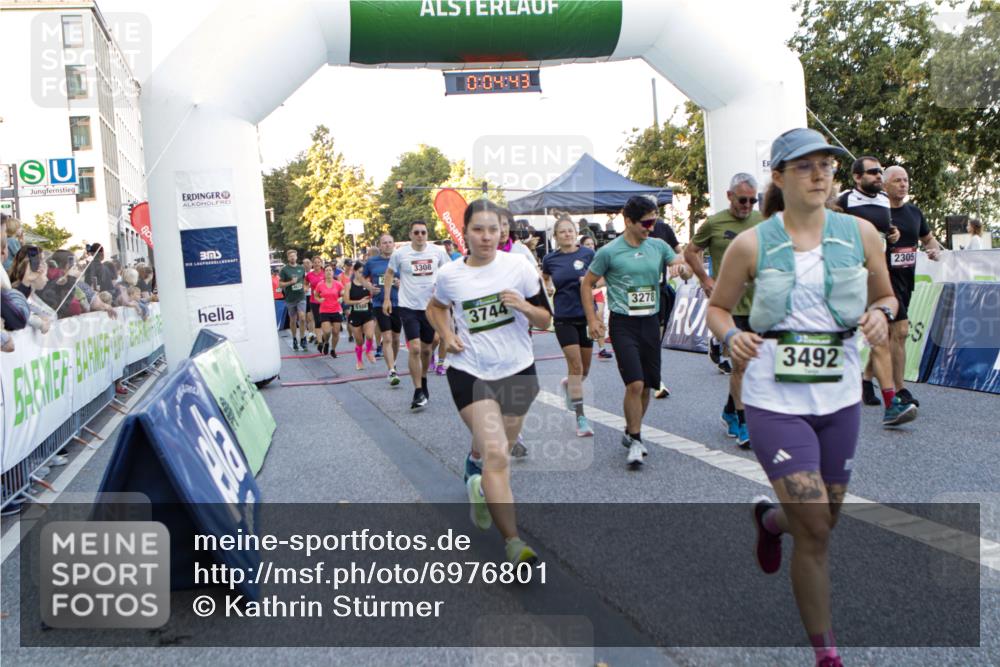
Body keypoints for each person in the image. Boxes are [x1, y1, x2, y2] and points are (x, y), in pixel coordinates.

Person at [707, 128, 897, 667]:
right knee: (814, 527)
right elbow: (718, 309)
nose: (819, 176)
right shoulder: (752, 244)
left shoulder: (861, 234)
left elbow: (886, 296)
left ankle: (771, 522)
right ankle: (826, 655)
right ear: (778, 175)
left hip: (839, 396)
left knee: (824, 516)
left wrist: (880, 315)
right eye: (805, 166)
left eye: (826, 166)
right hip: (775, 398)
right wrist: (731, 335)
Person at [426, 198, 551, 565]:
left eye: (493, 229)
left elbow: (546, 319)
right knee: (496, 453)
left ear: (502, 232)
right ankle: (513, 543)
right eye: (478, 229)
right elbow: (435, 307)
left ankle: (479, 482)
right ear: (464, 233)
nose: (486, 236)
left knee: (501, 454)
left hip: (518, 369)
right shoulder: (450, 275)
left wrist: (524, 307)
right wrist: (447, 334)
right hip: (470, 370)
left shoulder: (519, 267)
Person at [581, 196, 688, 468]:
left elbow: (682, 266)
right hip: (623, 324)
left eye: (654, 222)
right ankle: (637, 439)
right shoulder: (609, 251)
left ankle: (631, 431)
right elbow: (587, 284)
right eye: (646, 223)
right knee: (635, 383)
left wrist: (683, 269)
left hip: (651, 321)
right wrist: (592, 319)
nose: (651, 228)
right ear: (628, 221)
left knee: (648, 384)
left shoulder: (658, 246)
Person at [684, 173, 766, 448]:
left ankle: (730, 410)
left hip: (760, 304)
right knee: (741, 364)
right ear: (729, 196)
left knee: (753, 367)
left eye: (752, 201)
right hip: (730, 306)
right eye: (742, 200)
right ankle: (744, 422)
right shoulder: (714, 223)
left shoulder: (762, 221)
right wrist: (705, 279)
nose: (747, 206)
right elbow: (690, 251)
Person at [836, 157, 917, 425]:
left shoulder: (883, 200)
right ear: (857, 177)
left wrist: (892, 233)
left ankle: (891, 403)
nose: (878, 176)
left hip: (877, 275)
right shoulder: (844, 200)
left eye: (880, 172)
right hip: (847, 277)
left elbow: (885, 229)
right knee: (836, 338)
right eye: (873, 172)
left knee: (882, 335)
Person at [882, 166, 943, 407]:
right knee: (901, 331)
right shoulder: (878, 213)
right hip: (883, 281)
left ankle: (866, 379)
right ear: (885, 185)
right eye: (897, 180)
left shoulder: (914, 212)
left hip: (907, 280)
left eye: (906, 180)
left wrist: (934, 250)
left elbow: (929, 239)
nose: (903, 184)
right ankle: (900, 390)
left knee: (889, 335)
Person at [383, 221, 451, 411]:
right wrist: (387, 298)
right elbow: (389, 274)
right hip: (408, 306)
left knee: (427, 350)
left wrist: (447, 293)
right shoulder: (400, 254)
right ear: (410, 235)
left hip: (430, 307)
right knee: (414, 348)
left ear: (427, 234)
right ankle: (418, 390)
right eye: (416, 232)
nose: (420, 235)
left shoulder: (437, 252)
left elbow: (449, 272)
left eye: (423, 232)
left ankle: (423, 378)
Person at [542, 216, 596, 438]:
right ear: (555, 236)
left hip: (587, 316)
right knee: (575, 367)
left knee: (584, 370)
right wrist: (548, 287)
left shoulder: (588, 254)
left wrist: (591, 283)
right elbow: (544, 278)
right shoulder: (550, 259)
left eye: (570, 230)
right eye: (562, 231)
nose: (567, 234)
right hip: (564, 318)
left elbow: (602, 278)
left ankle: (569, 385)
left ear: (576, 233)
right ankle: (581, 419)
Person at [650, 216, 688, 399]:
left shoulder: (664, 230)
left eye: (653, 213)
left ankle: (656, 380)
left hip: (660, 292)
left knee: (655, 340)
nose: (649, 223)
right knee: (642, 341)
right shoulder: (627, 236)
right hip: (635, 296)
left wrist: (679, 266)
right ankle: (646, 375)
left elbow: (681, 255)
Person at [364, 234, 403, 386]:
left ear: (394, 244)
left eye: (390, 242)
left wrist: (401, 283)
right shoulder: (372, 262)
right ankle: (391, 370)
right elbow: (359, 277)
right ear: (380, 245)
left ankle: (393, 362)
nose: (387, 245)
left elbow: (410, 278)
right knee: (386, 337)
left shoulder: (400, 260)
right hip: (379, 304)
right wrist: (368, 286)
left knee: (396, 338)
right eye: (384, 243)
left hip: (398, 303)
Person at [581, 236, 613, 360]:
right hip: (584, 293)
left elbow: (605, 276)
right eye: (587, 244)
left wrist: (596, 285)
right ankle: (583, 345)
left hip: (597, 291)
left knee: (599, 316)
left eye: (592, 244)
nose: (590, 246)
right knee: (585, 320)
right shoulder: (579, 259)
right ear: (582, 246)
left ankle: (602, 349)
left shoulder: (599, 257)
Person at [344, 261, 377, 371]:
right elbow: (346, 301)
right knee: (359, 341)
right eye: (360, 272)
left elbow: (374, 296)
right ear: (354, 271)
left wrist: (369, 299)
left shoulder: (368, 284)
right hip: (355, 315)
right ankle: (359, 361)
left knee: (370, 335)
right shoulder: (349, 285)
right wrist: (359, 302)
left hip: (368, 314)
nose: (362, 274)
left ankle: (368, 351)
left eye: (364, 272)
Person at [278, 249, 308, 351]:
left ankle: (303, 338)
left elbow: (305, 281)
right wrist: (290, 282)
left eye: (294, 256)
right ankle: (295, 338)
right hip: (290, 298)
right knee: (293, 320)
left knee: (302, 317)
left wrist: (305, 287)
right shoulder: (284, 270)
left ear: (296, 257)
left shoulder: (301, 268)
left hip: (301, 296)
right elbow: (280, 284)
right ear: (288, 258)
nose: (292, 258)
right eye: (290, 256)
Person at [313, 264, 344, 357]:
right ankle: (326, 342)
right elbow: (316, 295)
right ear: (324, 273)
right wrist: (319, 300)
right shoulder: (320, 284)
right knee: (327, 332)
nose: (329, 272)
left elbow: (344, 293)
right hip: (324, 310)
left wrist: (342, 298)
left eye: (330, 270)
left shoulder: (338, 283)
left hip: (336, 310)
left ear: (333, 272)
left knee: (336, 332)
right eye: (326, 270)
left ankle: (333, 350)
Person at [305, 257, 326, 349]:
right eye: (315, 262)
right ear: (312, 264)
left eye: (319, 262)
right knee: (317, 321)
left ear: (321, 263)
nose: (317, 264)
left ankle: (324, 337)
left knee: (325, 321)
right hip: (314, 301)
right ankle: (320, 341)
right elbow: (305, 284)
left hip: (325, 300)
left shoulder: (325, 273)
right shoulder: (309, 275)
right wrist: (305, 288)